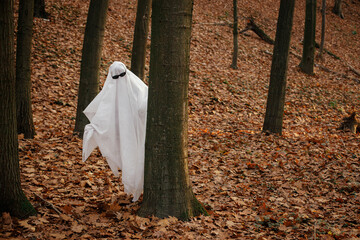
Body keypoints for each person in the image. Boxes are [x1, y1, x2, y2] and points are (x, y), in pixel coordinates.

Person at [82, 61, 148, 201]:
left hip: (137, 133)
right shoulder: (111, 92)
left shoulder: (136, 87)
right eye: (115, 76)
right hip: (123, 136)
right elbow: (103, 116)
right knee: (128, 157)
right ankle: (132, 187)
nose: (118, 79)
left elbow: (144, 103)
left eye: (121, 75)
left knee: (137, 157)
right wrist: (93, 129)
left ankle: (137, 188)